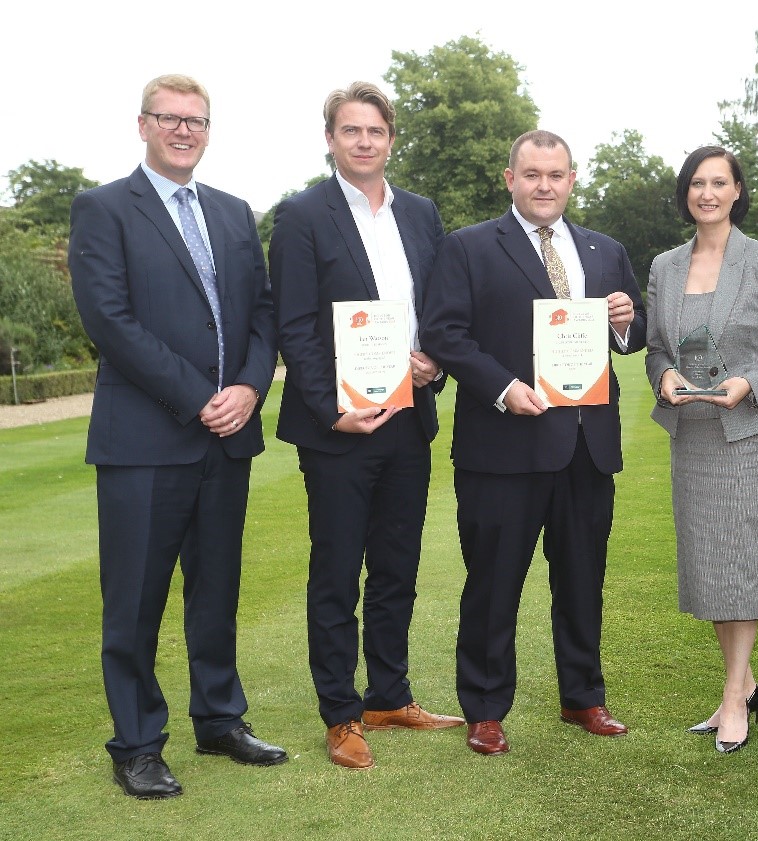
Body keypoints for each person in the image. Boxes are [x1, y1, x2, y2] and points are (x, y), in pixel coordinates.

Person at [69, 74, 285, 799]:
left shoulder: (231, 211)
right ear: (143, 125)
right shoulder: (103, 208)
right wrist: (202, 399)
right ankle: (135, 742)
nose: (184, 130)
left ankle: (220, 718)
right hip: (144, 441)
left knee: (216, 591)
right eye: (170, 118)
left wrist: (250, 388)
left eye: (196, 120)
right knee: (133, 602)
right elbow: (109, 321)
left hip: (227, 438)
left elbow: (261, 311)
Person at [420, 130, 647, 756]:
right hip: (505, 445)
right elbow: (445, 333)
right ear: (510, 178)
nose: (544, 185)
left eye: (556, 174)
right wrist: (503, 387)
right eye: (532, 174)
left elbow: (633, 331)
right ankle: (486, 708)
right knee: (494, 582)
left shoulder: (604, 250)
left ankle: (583, 697)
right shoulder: (467, 247)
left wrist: (627, 323)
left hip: (586, 446)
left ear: (572, 180)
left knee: (582, 579)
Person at [270, 82, 462, 770]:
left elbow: (439, 306)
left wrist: (434, 359)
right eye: (350, 130)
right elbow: (293, 324)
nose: (363, 141)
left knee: (395, 568)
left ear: (389, 138)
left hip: (408, 418)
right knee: (336, 571)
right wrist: (330, 407)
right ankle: (341, 713)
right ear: (331, 139)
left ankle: (389, 693)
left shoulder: (419, 212)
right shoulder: (301, 216)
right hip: (338, 429)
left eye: (374, 130)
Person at [644, 146, 758, 754]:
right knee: (710, 566)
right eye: (697, 183)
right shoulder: (664, 266)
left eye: (719, 183)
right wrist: (663, 377)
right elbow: (658, 348)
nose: (706, 193)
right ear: (686, 192)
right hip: (693, 436)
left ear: (738, 190)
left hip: (743, 434)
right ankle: (743, 680)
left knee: (740, 561)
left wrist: (749, 385)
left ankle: (735, 696)